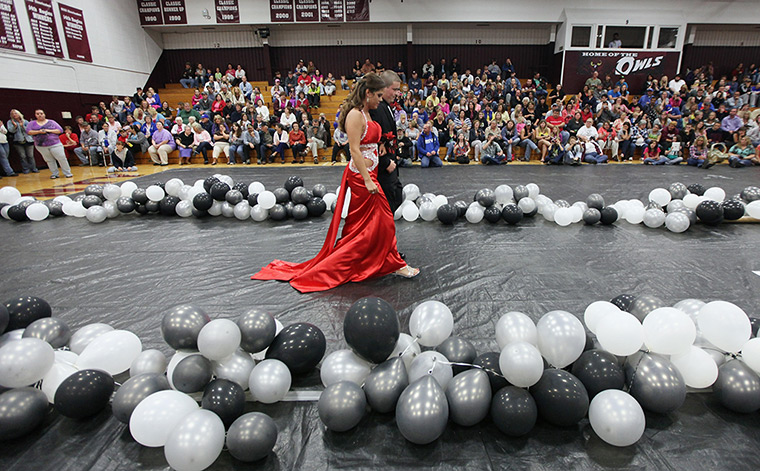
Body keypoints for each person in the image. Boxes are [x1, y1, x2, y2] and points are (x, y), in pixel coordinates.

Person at [253, 73, 418, 292]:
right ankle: (391, 263)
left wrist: (381, 150)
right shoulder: (355, 115)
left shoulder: (368, 113)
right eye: (378, 95)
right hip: (362, 178)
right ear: (367, 93)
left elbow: (370, 142)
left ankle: (374, 260)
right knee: (384, 220)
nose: (380, 99)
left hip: (371, 174)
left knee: (363, 226)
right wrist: (368, 180)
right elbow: (354, 150)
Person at [370, 70, 403, 213]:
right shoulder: (377, 109)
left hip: (390, 163)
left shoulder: (387, 107)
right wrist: (386, 162)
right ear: (384, 88)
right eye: (394, 89)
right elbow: (373, 140)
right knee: (388, 205)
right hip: (383, 168)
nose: (397, 93)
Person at [26, 109, 72, 179]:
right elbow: (28, 132)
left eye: (41, 113)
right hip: (41, 145)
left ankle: (67, 173)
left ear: (44, 114)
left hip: (55, 144)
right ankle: (54, 173)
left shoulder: (51, 122)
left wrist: (48, 130)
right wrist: (39, 132)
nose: (40, 115)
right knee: (49, 159)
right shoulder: (32, 123)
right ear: (35, 115)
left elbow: (60, 130)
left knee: (61, 158)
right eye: (37, 114)